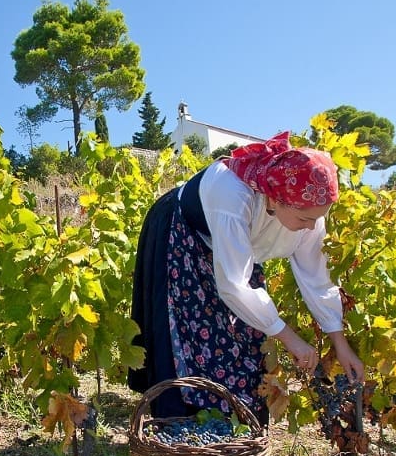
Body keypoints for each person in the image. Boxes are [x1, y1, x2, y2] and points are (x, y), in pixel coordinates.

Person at [127, 131, 365, 423]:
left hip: (231, 248)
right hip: (181, 234)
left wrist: (340, 343)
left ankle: (235, 429)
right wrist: (290, 338)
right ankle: (184, 434)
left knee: (245, 341)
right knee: (185, 335)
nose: (311, 227)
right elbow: (234, 285)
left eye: (318, 218)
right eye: (305, 219)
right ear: (276, 199)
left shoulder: (307, 207)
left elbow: (318, 278)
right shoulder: (232, 192)